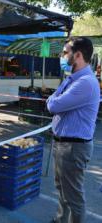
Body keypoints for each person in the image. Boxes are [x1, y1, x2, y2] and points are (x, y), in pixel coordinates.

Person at [47, 37, 100, 223]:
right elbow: (53, 100)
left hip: (73, 148)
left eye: (65, 52)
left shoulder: (85, 82)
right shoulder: (73, 78)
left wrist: (52, 100)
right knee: (62, 189)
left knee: (74, 197)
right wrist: (53, 99)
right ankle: (60, 220)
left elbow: (53, 105)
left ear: (77, 55)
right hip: (63, 145)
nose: (62, 56)